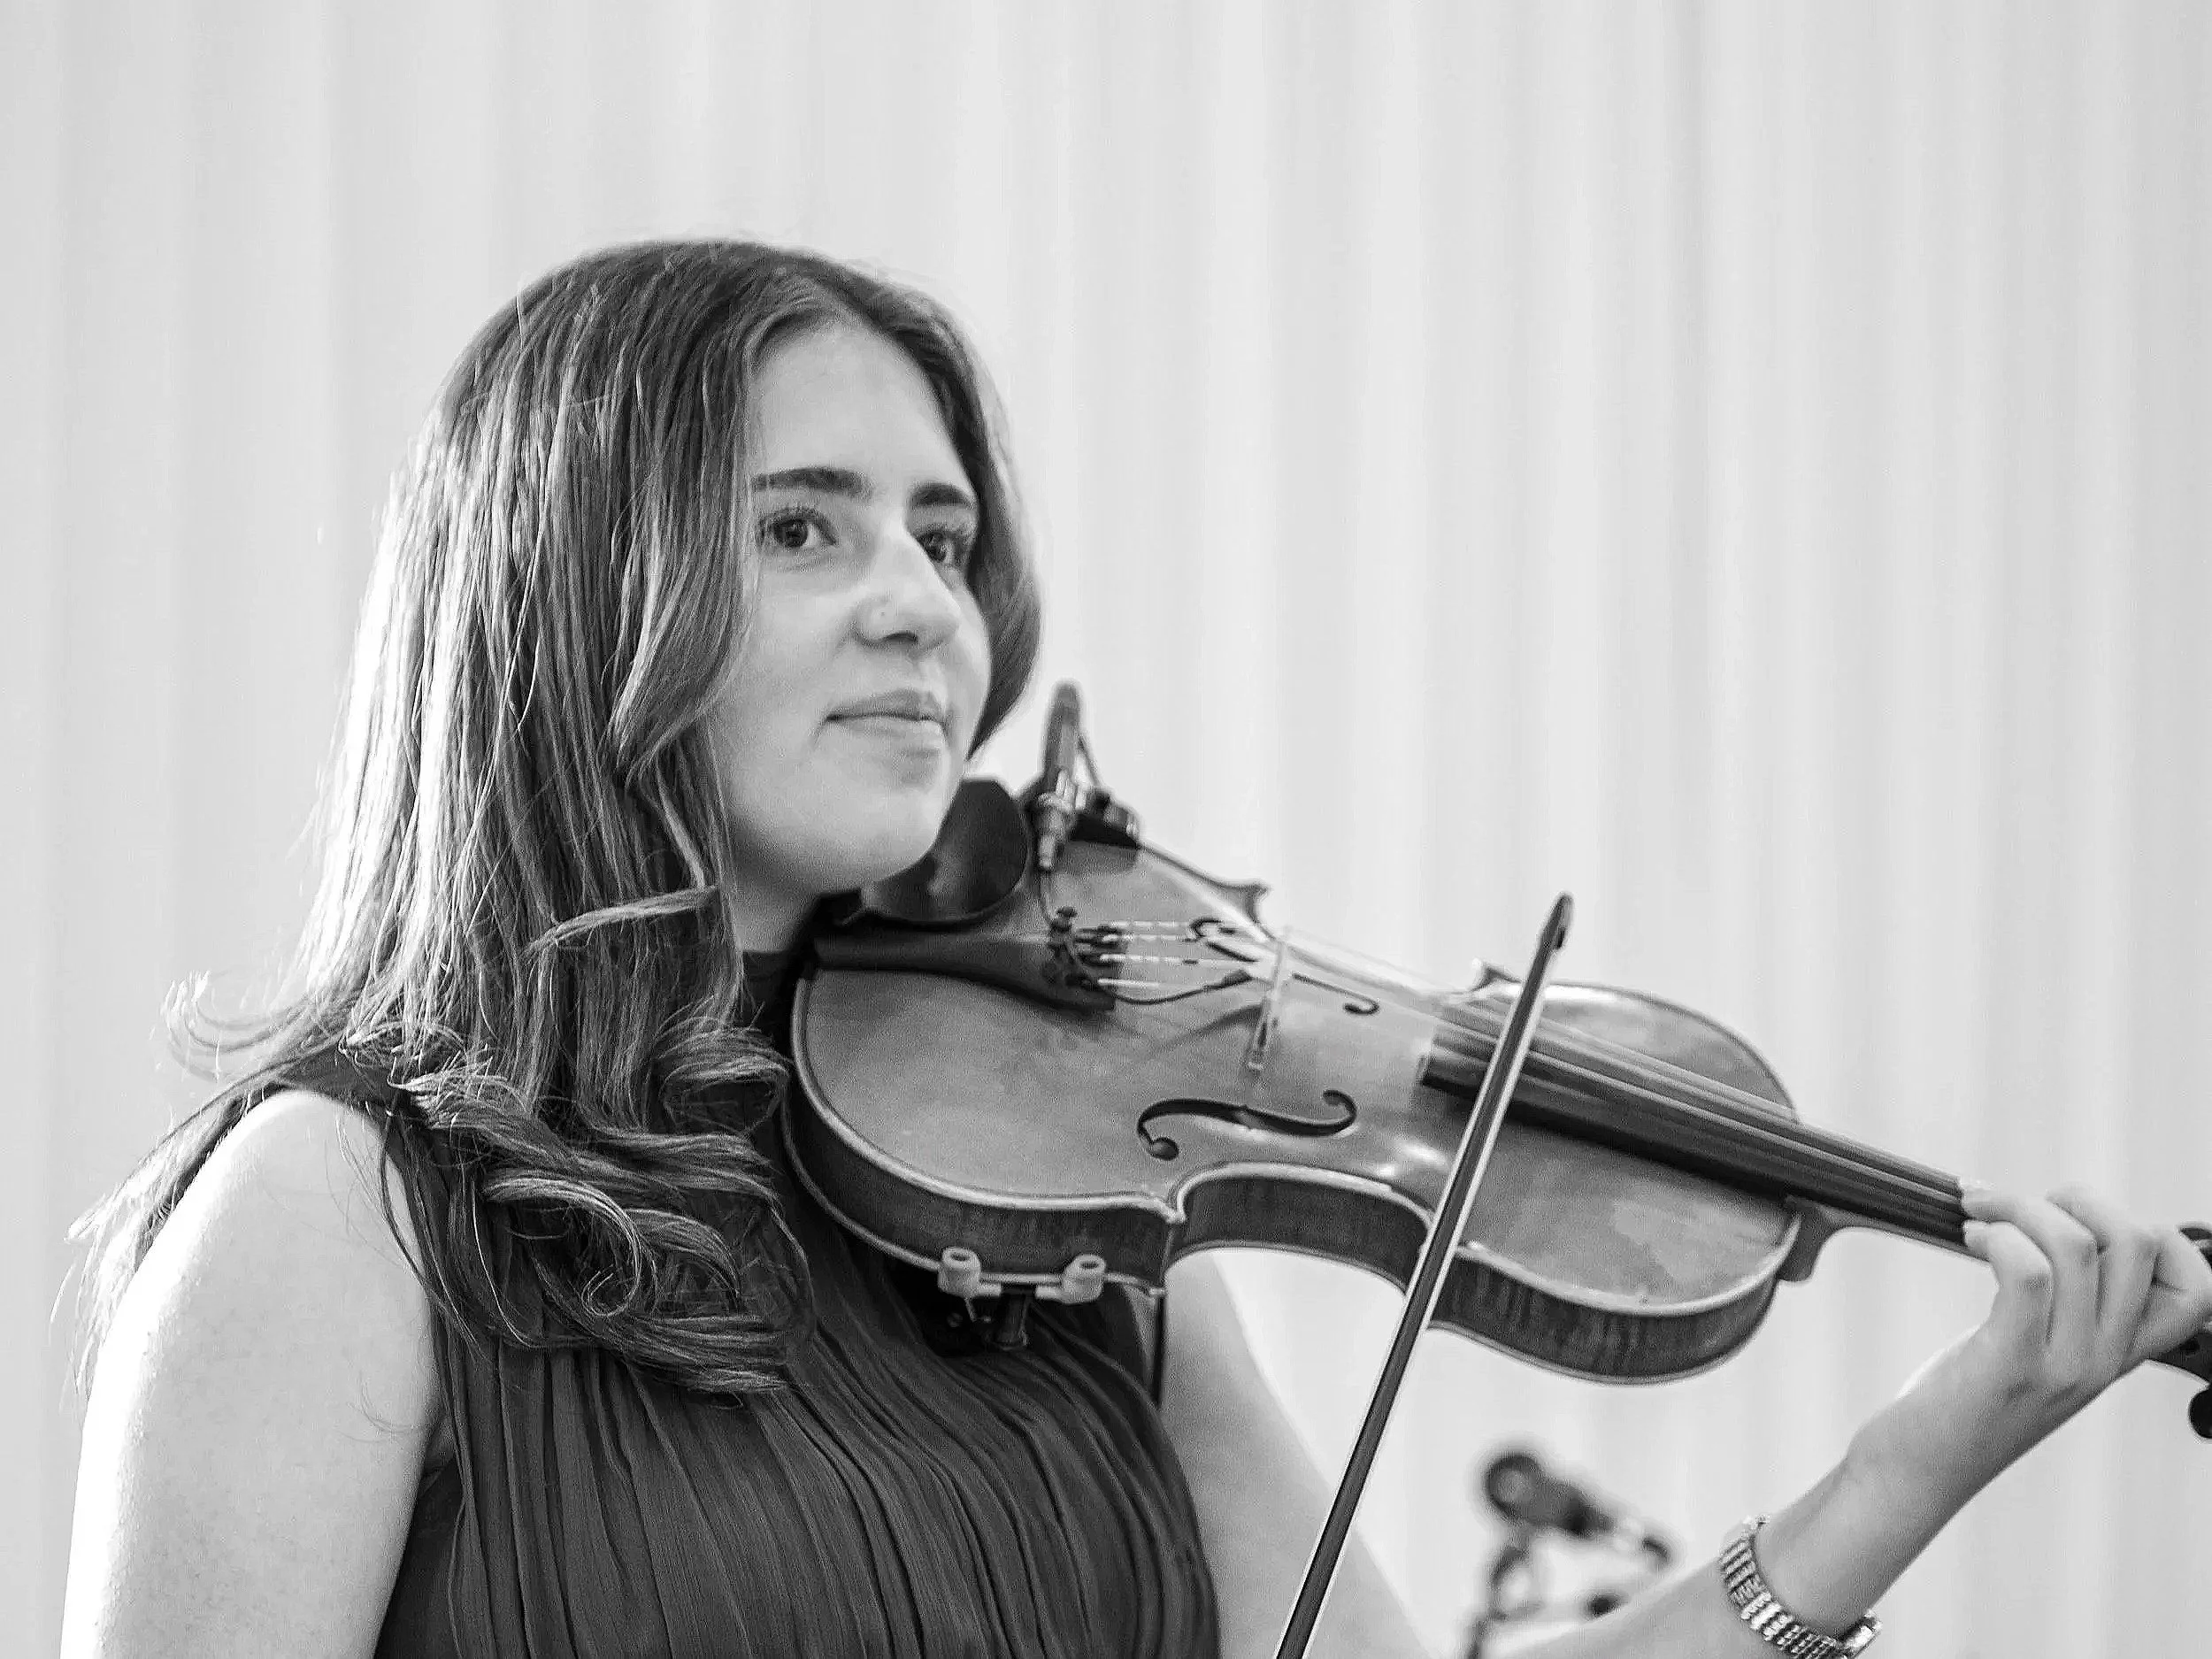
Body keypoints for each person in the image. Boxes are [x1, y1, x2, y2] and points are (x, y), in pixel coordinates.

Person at [59, 239, 2212, 1659]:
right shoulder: (334, 1211)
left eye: (941, 532)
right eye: (800, 522)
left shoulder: (1061, 1230)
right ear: (557, 586)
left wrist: (1912, 1460)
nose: (923, 599)